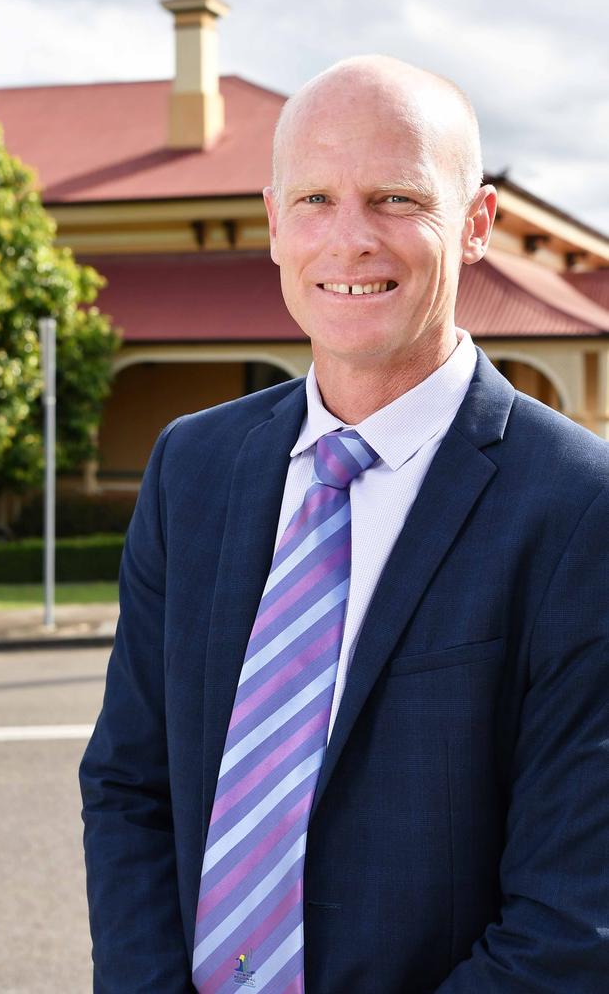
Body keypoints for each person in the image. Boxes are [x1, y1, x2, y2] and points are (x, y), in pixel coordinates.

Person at [79, 55, 609, 993]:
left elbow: (573, 919)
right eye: (316, 199)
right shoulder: (191, 469)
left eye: (398, 198)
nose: (350, 240)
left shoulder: (580, 510)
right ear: (276, 224)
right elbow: (131, 787)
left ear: (477, 224)